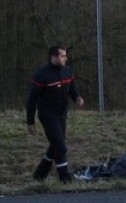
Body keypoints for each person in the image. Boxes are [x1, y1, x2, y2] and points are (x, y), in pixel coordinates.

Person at [25, 45, 84, 182]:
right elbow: (31, 100)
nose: (66, 59)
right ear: (54, 57)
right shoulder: (42, 75)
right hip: (47, 115)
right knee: (60, 146)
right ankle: (65, 178)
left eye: (65, 55)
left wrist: (77, 98)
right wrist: (30, 122)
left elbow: (72, 87)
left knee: (55, 145)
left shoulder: (67, 71)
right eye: (62, 56)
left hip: (62, 114)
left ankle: (39, 175)